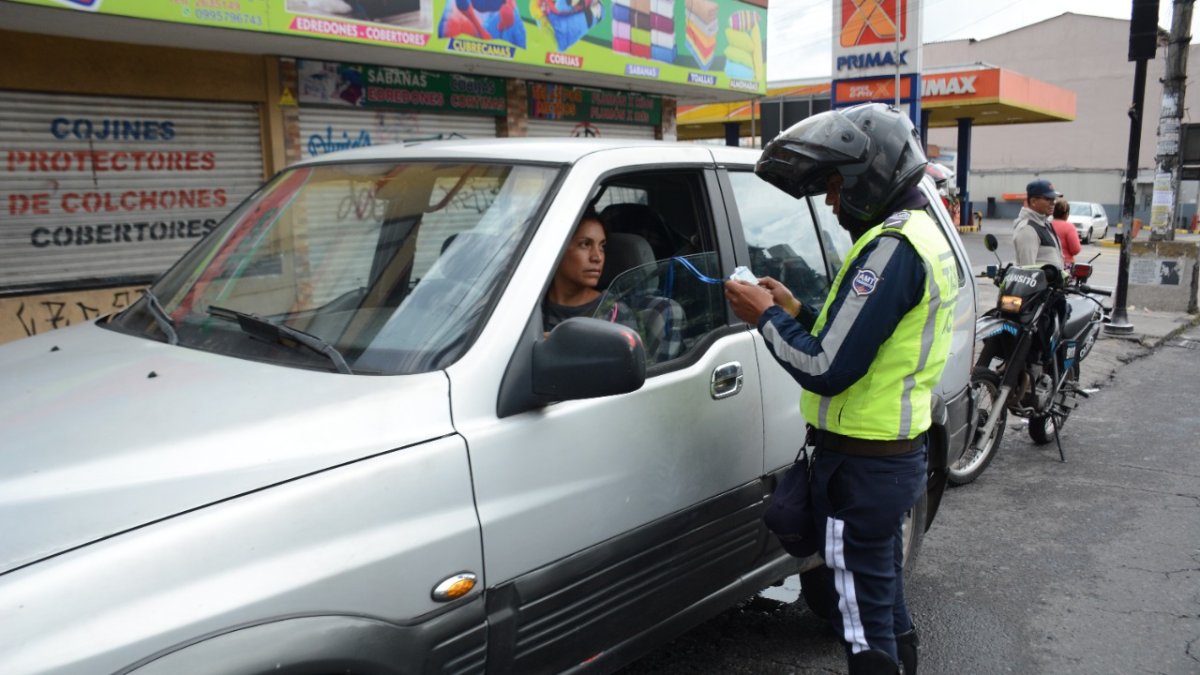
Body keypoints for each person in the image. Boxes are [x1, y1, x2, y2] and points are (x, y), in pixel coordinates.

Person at [725, 103, 959, 675]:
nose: (831, 202)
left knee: (861, 622)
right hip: (887, 458)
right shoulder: (919, 235)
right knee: (883, 601)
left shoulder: (892, 247)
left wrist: (762, 318)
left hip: (863, 468)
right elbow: (864, 338)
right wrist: (793, 307)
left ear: (867, 174)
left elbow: (827, 366)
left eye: (834, 185)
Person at [542, 209, 638, 334]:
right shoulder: (529, 308)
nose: (597, 257)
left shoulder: (614, 313)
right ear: (558, 249)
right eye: (585, 244)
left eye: (602, 246)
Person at [1013, 179, 1065, 268]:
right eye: (1048, 199)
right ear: (1033, 202)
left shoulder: (1044, 223)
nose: (1053, 203)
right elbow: (1027, 271)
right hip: (1041, 282)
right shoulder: (1027, 228)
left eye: (1054, 199)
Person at [1050, 197, 1081, 267]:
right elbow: (1075, 249)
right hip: (1065, 263)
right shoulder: (1069, 227)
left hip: (1049, 264)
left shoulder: (1047, 224)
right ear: (1066, 214)